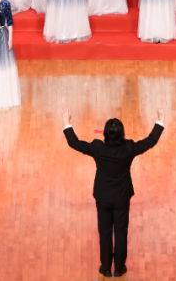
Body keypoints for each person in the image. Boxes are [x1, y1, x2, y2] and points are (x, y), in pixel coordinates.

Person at [61, 107, 165, 280]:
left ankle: (106, 268)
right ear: (122, 134)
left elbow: (74, 143)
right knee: (121, 233)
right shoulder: (129, 148)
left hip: (102, 196)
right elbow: (150, 141)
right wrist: (160, 119)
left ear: (105, 134)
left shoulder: (98, 148)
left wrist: (67, 122)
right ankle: (119, 269)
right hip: (122, 197)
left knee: (105, 233)